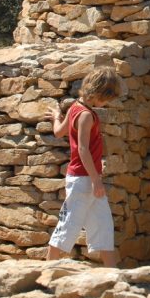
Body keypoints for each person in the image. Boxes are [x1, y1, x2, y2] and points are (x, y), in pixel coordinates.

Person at [46, 66, 122, 267]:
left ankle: (112, 274)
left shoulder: (74, 108)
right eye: (107, 98)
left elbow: (58, 132)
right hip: (84, 179)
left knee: (103, 226)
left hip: (86, 178)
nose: (107, 103)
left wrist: (56, 118)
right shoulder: (87, 115)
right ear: (100, 93)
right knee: (68, 224)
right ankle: (45, 270)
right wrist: (96, 180)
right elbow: (83, 149)